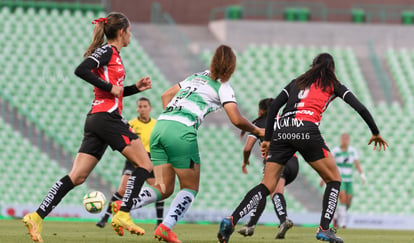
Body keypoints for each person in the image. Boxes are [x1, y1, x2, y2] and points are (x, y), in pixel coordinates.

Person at [217, 52, 388, 243]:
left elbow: (273, 108)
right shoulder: (333, 84)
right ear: (331, 68)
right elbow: (360, 107)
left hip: (282, 129)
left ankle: (231, 220)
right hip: (306, 128)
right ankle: (324, 229)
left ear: (312, 65)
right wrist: (375, 131)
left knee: (267, 184)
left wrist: (268, 139)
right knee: (334, 179)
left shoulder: (295, 82)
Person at [110, 44, 264, 243]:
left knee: (163, 188)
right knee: (190, 187)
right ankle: (165, 228)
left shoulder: (197, 76)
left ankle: (125, 205)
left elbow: (165, 95)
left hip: (161, 126)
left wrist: (171, 118)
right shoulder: (224, 87)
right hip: (181, 131)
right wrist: (257, 130)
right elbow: (236, 119)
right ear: (231, 68)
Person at [22, 12, 153, 242]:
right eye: (129, 31)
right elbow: (81, 70)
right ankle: (123, 213)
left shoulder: (114, 55)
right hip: (107, 118)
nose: (131, 35)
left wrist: (134, 88)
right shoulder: (108, 51)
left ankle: (37, 216)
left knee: (77, 176)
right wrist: (109, 86)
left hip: (97, 118)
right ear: (121, 32)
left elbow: (113, 91)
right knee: (144, 164)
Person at [96, 97, 165, 228]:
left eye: (145, 106)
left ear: (150, 108)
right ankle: (105, 218)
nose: (142, 109)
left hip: (151, 159)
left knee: (159, 190)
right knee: (122, 189)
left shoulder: (156, 125)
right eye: (140, 106)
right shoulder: (131, 124)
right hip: (133, 159)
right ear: (137, 109)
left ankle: (159, 222)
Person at [237, 98, 299, 239]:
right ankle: (250, 225)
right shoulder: (285, 121)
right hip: (294, 163)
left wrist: (245, 161)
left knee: (269, 191)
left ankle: (283, 220)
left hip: (276, 161)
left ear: (262, 110)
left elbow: (247, 148)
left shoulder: (259, 123)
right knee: (263, 190)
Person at [330, 133, 366, 229]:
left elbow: (357, 164)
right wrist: (323, 178)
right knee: (342, 198)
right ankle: (342, 223)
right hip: (339, 178)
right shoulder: (335, 151)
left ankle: (336, 215)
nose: (345, 140)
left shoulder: (352, 151)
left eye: (346, 138)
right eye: (343, 138)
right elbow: (330, 164)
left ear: (349, 140)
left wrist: (362, 175)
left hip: (349, 179)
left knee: (348, 201)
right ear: (341, 139)